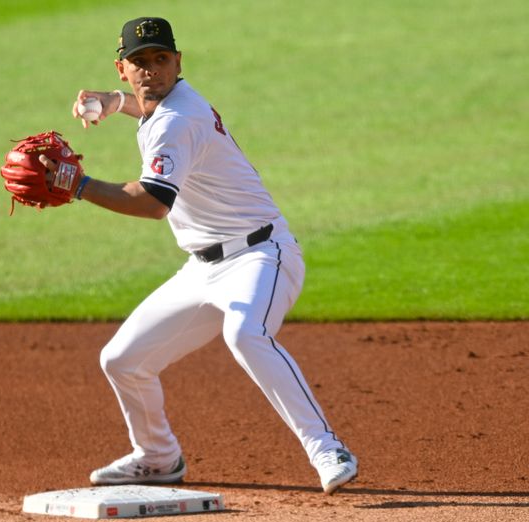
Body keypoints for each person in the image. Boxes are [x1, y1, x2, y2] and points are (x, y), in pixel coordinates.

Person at [44, 16, 358, 495]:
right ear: (121, 69)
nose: (151, 70)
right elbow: (148, 108)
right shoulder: (168, 106)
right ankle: (157, 457)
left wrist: (80, 186)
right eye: (139, 62)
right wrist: (114, 103)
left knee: (246, 332)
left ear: (178, 62)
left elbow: (151, 203)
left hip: (262, 256)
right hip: (203, 269)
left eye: (161, 59)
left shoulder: (177, 120)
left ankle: (327, 448)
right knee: (122, 360)